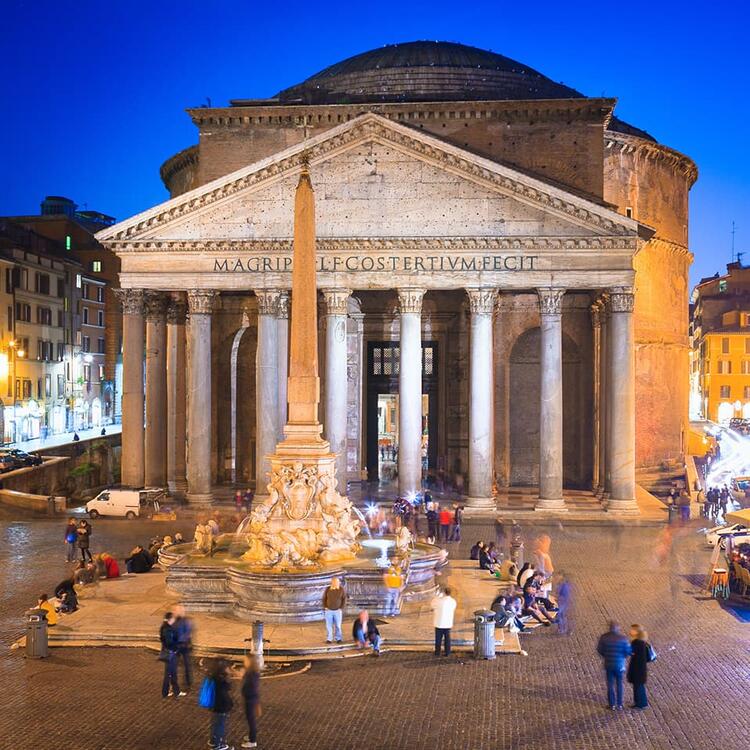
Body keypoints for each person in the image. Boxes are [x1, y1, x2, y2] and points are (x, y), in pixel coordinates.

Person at [597, 621, 633, 710]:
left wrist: (606, 655)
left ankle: (612, 704)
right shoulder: (623, 638)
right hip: (620, 665)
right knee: (619, 684)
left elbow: (600, 650)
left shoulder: (604, 637)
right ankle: (619, 704)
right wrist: (623, 656)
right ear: (618, 628)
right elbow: (628, 651)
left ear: (610, 628)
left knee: (610, 684)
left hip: (608, 664)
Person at [209, 659, 234, 750]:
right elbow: (228, 689)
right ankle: (219, 745)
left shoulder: (213, 677)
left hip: (214, 704)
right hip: (222, 706)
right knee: (220, 725)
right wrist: (229, 675)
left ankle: (213, 740)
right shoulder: (223, 680)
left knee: (215, 723)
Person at [627, 624, 653, 709]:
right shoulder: (640, 642)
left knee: (638, 687)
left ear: (637, 632)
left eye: (632, 629)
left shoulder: (638, 643)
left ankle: (641, 704)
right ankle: (639, 703)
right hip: (639, 669)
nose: (630, 631)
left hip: (638, 670)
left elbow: (630, 651)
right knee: (638, 686)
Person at [159, 612, 184, 699]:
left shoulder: (164, 627)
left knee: (172, 674)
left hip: (169, 653)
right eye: (173, 618)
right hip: (171, 654)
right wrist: (176, 649)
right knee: (170, 674)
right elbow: (169, 642)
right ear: (170, 619)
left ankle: (173, 691)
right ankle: (167, 692)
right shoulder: (168, 629)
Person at [241, 655, 261, 749]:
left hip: (250, 699)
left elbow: (253, 689)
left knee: (251, 720)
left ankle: (253, 740)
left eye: (246, 660)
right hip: (250, 698)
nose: (244, 662)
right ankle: (251, 736)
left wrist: (257, 703)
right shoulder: (251, 672)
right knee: (250, 719)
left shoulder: (251, 674)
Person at [430, 586, 457, 656]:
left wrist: (437, 596)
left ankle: (437, 652)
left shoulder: (438, 601)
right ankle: (447, 652)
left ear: (443, 592)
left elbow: (432, 605)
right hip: (448, 623)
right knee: (447, 639)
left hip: (438, 623)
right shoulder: (453, 601)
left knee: (438, 639)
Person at [174, 604, 194, 691]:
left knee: (186, 665)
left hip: (184, 646)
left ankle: (188, 682)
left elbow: (187, 634)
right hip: (179, 645)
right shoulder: (176, 621)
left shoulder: (186, 622)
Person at [322, 577, 346, 643]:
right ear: (332, 582)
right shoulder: (328, 589)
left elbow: (344, 599)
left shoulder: (341, 589)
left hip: (337, 611)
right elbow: (324, 598)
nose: (335, 583)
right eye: (334, 581)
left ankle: (338, 638)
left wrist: (341, 607)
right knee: (328, 625)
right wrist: (325, 606)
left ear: (338, 582)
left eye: (337, 581)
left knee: (338, 625)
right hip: (328, 610)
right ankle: (329, 638)